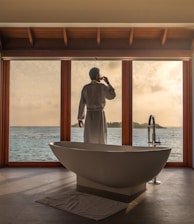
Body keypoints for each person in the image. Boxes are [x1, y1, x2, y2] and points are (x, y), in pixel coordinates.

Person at [77, 67, 116, 144]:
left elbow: (82, 103)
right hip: (99, 115)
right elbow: (112, 96)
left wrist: (80, 118)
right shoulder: (102, 87)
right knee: (100, 137)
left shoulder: (86, 88)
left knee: (89, 138)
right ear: (97, 75)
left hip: (89, 115)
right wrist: (108, 83)